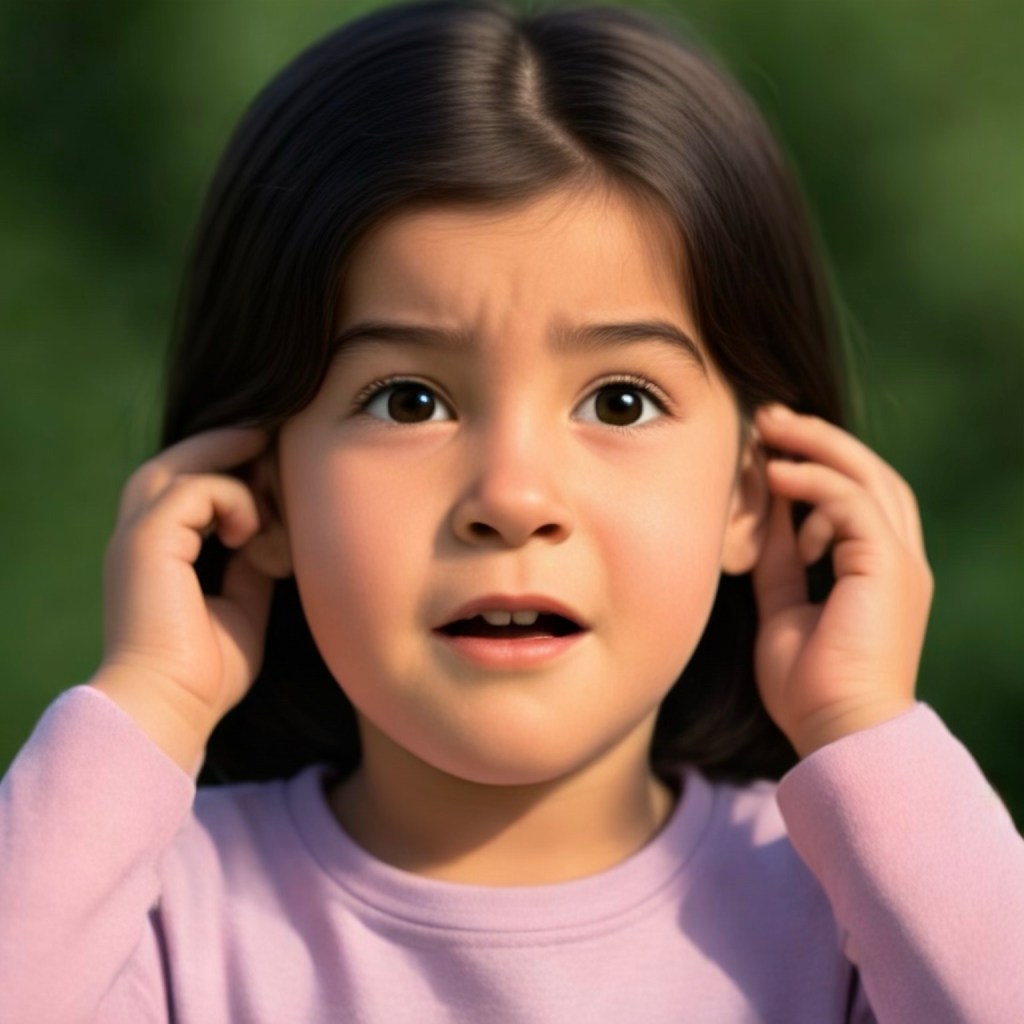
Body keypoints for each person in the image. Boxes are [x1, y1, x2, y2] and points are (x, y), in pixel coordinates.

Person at [1, 0, 1022, 1020]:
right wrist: (151, 703)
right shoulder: (159, 924)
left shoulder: (860, 921)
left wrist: (863, 729)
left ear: (754, 491)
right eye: (409, 400)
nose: (512, 498)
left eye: (620, 401)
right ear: (262, 493)